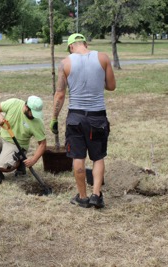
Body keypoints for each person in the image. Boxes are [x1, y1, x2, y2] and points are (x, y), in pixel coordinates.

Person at [50, 33, 116, 209]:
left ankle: (83, 197)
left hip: (75, 117)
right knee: (98, 157)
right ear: (85, 43)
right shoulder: (102, 58)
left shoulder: (65, 63)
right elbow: (111, 86)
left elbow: (60, 94)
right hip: (98, 117)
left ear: (71, 46)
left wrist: (54, 118)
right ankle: (96, 195)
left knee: (78, 157)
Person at [0, 96, 47, 185]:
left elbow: (42, 144)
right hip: (1, 138)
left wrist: (33, 160)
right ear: (26, 107)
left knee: (4, 167)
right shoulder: (14, 103)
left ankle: (20, 163)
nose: (34, 116)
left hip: (17, 145)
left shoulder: (38, 122)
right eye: (33, 113)